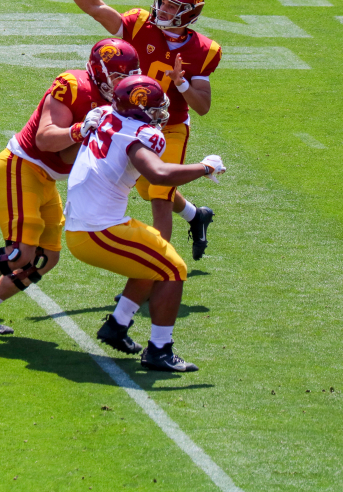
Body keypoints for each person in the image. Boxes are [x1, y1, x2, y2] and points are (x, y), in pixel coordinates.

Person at [0, 39, 140, 335]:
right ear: (98, 70)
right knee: (19, 254)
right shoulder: (73, 85)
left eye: (127, 75)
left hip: (47, 177)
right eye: (116, 75)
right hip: (21, 165)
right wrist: (81, 129)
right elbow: (46, 139)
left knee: (45, 257)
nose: (122, 83)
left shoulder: (115, 104)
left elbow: (66, 155)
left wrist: (100, 136)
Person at [40, 0, 221, 259]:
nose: (162, 10)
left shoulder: (203, 50)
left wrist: (181, 83)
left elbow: (203, 106)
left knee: (159, 193)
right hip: (128, 121)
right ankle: (195, 215)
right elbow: (99, 9)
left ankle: (158, 271)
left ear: (189, 14)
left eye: (172, 8)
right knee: (148, 188)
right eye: (162, 2)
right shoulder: (140, 24)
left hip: (169, 126)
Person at [64, 75, 226, 371]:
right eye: (154, 110)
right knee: (174, 268)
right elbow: (159, 175)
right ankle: (159, 350)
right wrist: (204, 168)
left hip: (87, 221)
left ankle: (117, 325)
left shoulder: (104, 114)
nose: (159, 116)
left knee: (156, 253)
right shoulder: (138, 135)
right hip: (97, 229)